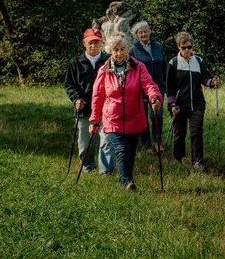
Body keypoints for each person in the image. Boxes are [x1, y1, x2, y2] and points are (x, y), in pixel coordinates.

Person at [89, 34, 163, 190]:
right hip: (112, 118)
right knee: (122, 150)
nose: (119, 53)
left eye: (122, 49)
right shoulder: (104, 70)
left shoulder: (138, 67)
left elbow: (149, 84)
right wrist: (94, 120)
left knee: (130, 152)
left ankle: (126, 178)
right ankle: (126, 182)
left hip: (134, 117)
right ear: (110, 51)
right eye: (115, 50)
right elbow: (97, 96)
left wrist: (154, 97)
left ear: (127, 49)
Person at [166, 32, 221, 170]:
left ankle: (198, 161)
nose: (187, 50)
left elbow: (205, 78)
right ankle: (178, 158)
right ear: (178, 46)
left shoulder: (198, 61)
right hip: (179, 104)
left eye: (189, 47)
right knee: (180, 132)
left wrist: (212, 82)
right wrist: (172, 104)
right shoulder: (173, 63)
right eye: (184, 47)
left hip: (197, 103)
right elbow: (170, 87)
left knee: (196, 131)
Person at [64, 28, 115, 175]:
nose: (93, 45)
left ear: (101, 43)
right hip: (84, 108)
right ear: (84, 43)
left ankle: (105, 171)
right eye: (90, 42)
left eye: (96, 42)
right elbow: (69, 84)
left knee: (106, 140)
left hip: (105, 108)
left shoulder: (108, 60)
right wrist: (76, 99)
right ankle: (88, 166)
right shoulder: (76, 62)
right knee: (86, 142)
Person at [129, 21, 167, 151]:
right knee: (143, 117)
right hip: (140, 90)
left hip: (158, 87)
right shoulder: (133, 51)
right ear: (137, 35)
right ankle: (146, 144)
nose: (144, 34)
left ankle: (157, 142)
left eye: (146, 31)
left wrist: (164, 85)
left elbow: (164, 67)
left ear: (150, 32)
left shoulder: (158, 46)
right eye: (141, 32)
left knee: (157, 114)